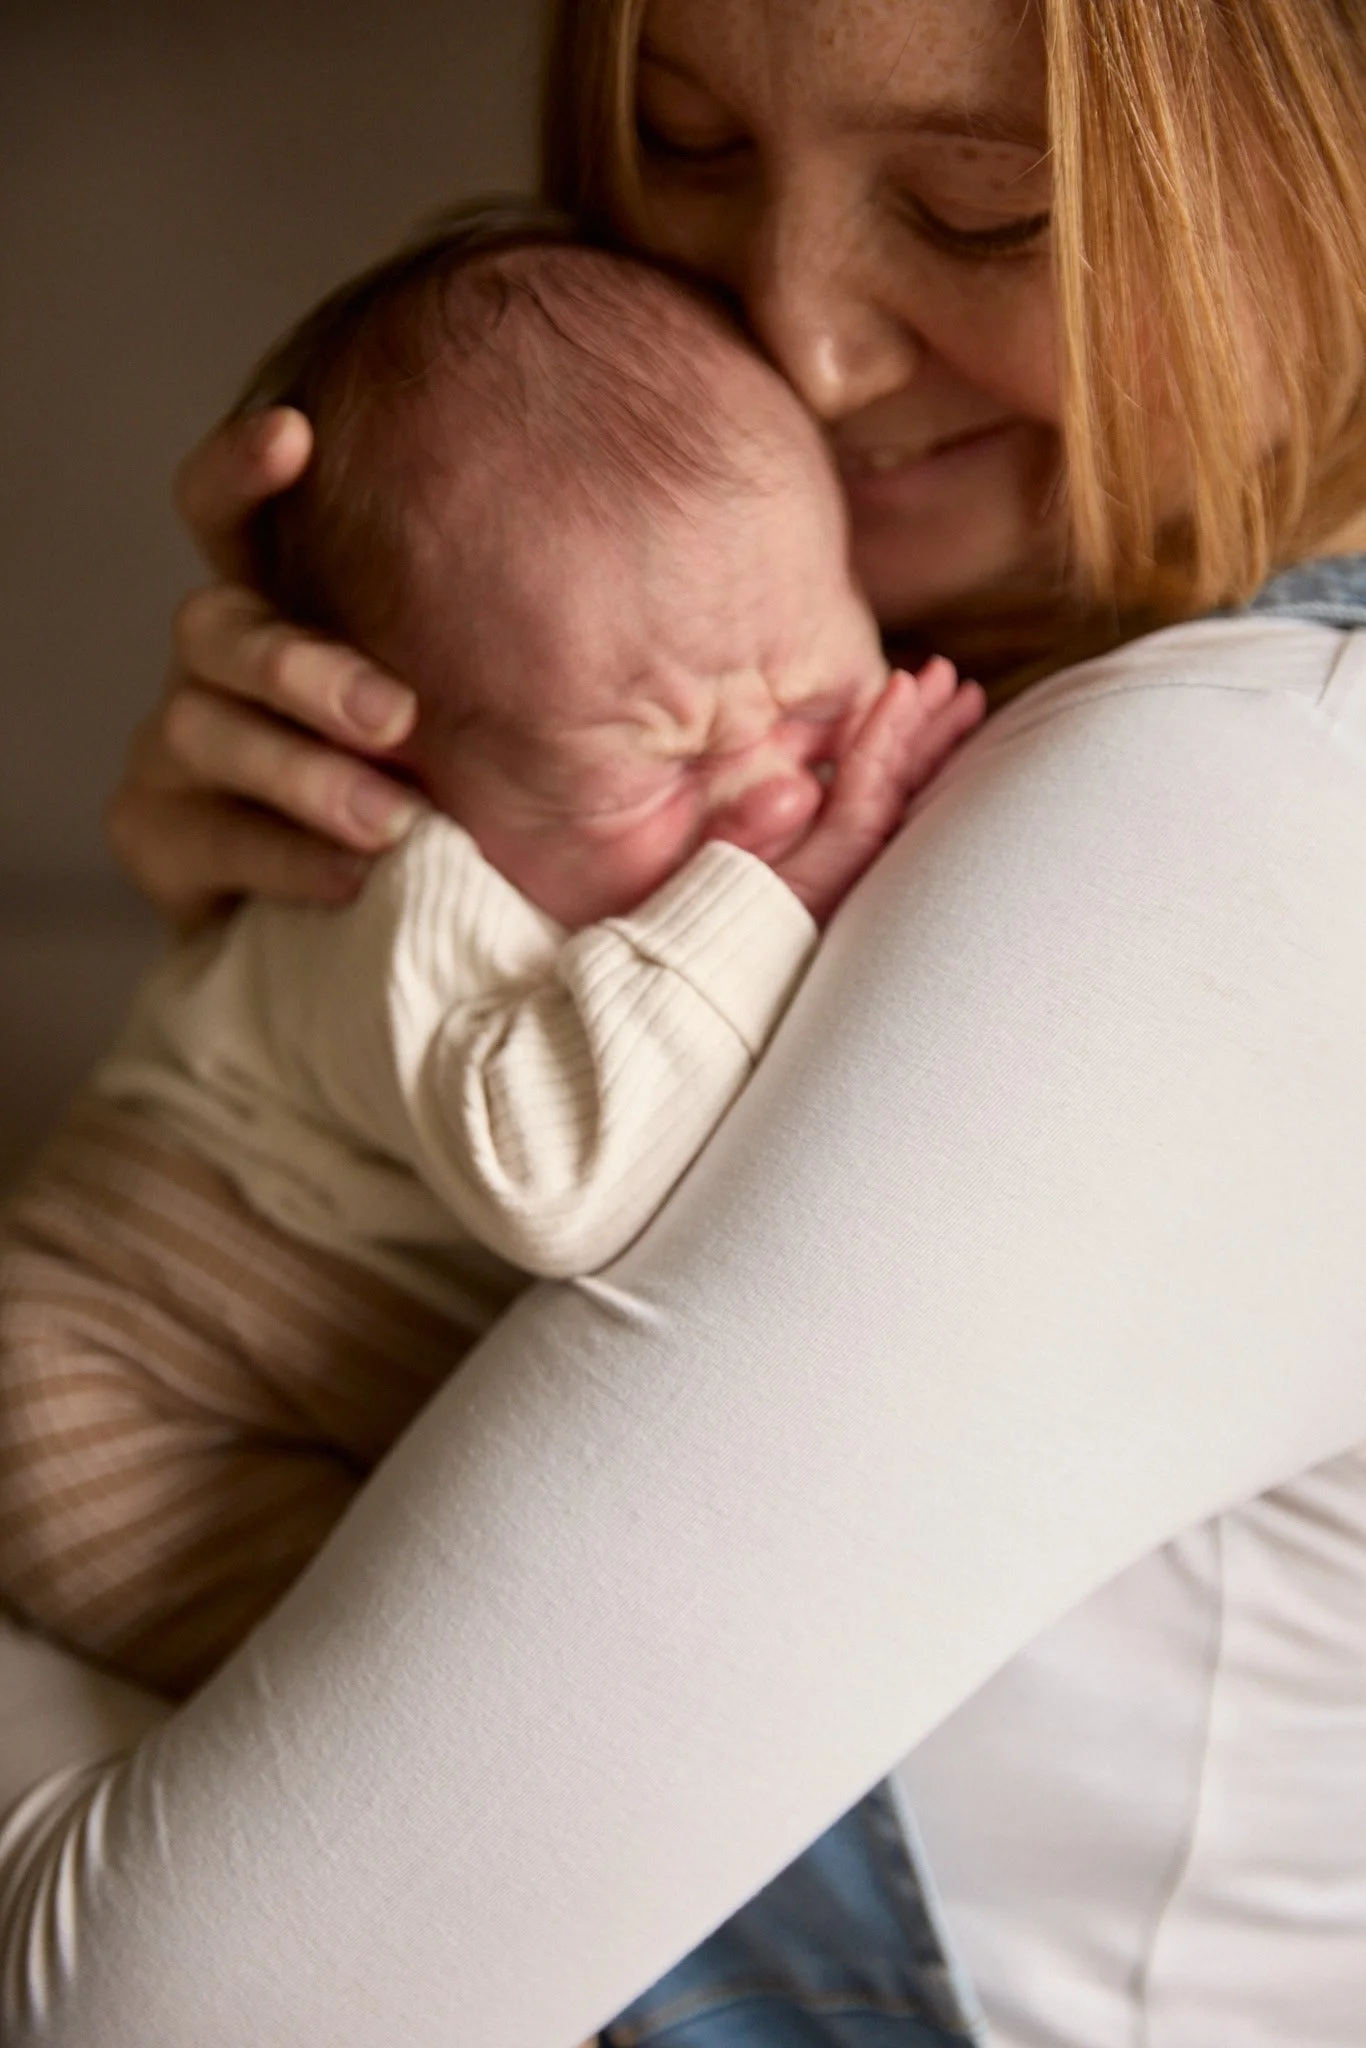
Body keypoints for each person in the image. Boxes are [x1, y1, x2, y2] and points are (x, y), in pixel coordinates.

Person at [3, 0, 1366, 2043]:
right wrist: (380, 842)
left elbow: (185, 2007)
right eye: (687, 142)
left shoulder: (1236, 800)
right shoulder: (1011, 659)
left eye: (980, 208)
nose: (796, 339)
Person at [0, 211, 979, 1697]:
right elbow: (554, 1184)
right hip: (143, 1360)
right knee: (349, 1687)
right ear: (393, 754)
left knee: (466, 1639)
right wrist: (800, 872)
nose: (771, 792)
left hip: (394, 1388)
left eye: (811, 704)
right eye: (644, 772)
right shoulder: (393, 885)